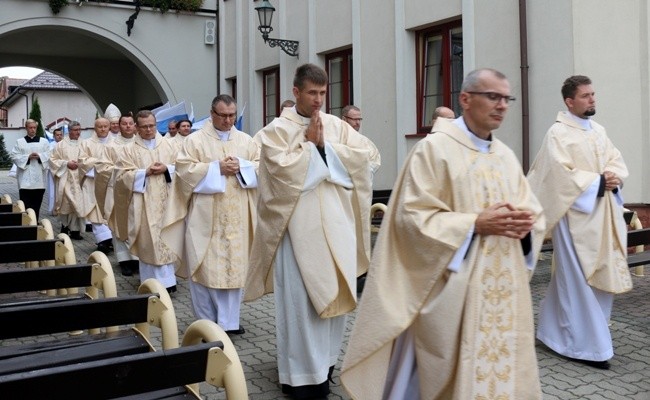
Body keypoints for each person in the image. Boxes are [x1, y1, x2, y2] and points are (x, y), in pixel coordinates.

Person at [341, 68, 546, 400]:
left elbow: (532, 212)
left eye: (506, 98)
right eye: (492, 96)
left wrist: (527, 226)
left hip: (500, 292)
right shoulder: (433, 150)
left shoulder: (506, 157)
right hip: (447, 288)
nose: (502, 106)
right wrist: (474, 225)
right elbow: (410, 219)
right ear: (465, 99)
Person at [245, 63, 379, 399]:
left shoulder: (336, 126)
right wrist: (312, 149)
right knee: (301, 305)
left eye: (323, 93)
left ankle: (327, 367)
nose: (318, 100)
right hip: (298, 233)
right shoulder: (276, 130)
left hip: (337, 227)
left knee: (335, 301)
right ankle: (302, 378)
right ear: (296, 92)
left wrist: (325, 149)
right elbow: (277, 175)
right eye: (312, 93)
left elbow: (368, 158)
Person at [527, 75, 632, 370]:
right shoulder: (557, 134)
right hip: (573, 216)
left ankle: (554, 332)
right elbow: (558, 175)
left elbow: (615, 159)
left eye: (593, 94)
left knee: (599, 276)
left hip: (603, 214)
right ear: (569, 102)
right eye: (585, 96)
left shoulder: (598, 130)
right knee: (578, 280)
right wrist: (597, 182)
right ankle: (587, 347)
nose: (592, 100)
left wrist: (612, 177)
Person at [162, 94, 259, 333]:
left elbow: (262, 167)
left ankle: (229, 323)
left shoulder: (246, 140)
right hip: (205, 219)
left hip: (237, 219)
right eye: (223, 115)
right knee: (204, 268)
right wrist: (216, 168)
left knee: (234, 270)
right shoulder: (195, 141)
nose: (228, 121)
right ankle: (206, 323)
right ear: (212, 114)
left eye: (232, 115)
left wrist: (243, 167)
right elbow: (184, 172)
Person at [114, 110, 178, 292]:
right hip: (143, 203)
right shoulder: (128, 150)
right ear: (137, 128)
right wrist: (144, 173)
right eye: (144, 127)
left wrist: (167, 168)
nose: (149, 130)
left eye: (152, 125)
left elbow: (183, 168)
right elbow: (121, 176)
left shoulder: (169, 145)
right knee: (149, 241)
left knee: (167, 238)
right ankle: (151, 283)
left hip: (168, 201)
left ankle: (169, 282)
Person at [102, 114, 140, 276]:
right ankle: (124, 260)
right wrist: (119, 173)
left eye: (130, 123)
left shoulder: (141, 144)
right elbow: (102, 168)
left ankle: (137, 258)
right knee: (120, 224)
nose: (127, 126)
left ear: (135, 125)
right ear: (118, 126)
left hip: (139, 190)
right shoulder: (111, 146)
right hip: (118, 191)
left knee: (137, 224)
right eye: (124, 124)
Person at [78, 117, 114, 253]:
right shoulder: (86, 143)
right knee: (94, 210)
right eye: (100, 126)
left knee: (109, 210)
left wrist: (103, 166)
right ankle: (103, 241)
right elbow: (82, 161)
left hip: (110, 184)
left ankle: (110, 239)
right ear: (95, 128)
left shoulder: (116, 143)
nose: (103, 129)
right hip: (92, 183)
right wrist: (101, 164)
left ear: (109, 127)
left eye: (106, 126)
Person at [49, 121, 84, 240]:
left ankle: (75, 230)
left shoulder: (84, 144)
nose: (78, 132)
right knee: (65, 203)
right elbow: (52, 160)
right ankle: (64, 227)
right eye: (75, 130)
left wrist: (81, 164)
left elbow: (89, 159)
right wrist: (66, 163)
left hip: (80, 179)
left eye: (79, 129)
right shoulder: (60, 145)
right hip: (65, 178)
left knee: (78, 204)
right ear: (69, 131)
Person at [10, 119, 51, 220]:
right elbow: (14, 156)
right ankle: (26, 225)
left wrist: (40, 156)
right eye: (30, 127)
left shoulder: (44, 142)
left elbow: (50, 155)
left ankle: (34, 224)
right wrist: (27, 157)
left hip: (39, 181)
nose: (33, 130)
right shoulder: (20, 142)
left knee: (36, 206)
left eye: (34, 128)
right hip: (25, 181)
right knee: (25, 205)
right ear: (26, 128)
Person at [46, 128, 64, 215]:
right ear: (54, 136)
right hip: (53, 171)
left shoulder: (65, 145)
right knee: (53, 190)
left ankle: (62, 209)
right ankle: (53, 209)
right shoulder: (50, 146)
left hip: (64, 171)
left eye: (61, 135)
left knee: (62, 190)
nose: (59, 136)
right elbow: (50, 159)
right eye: (57, 135)